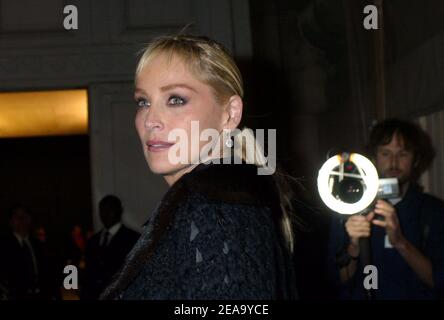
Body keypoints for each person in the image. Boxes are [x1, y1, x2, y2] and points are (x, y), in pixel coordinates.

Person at [99, 34, 298, 300]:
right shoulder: (224, 202)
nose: (150, 120)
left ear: (230, 114)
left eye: (176, 99)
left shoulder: (214, 210)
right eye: (143, 102)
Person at [328, 118, 444, 299]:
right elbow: (339, 280)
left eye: (403, 154)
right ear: (373, 157)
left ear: (415, 159)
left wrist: (400, 242)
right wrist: (353, 247)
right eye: (385, 153)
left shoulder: (433, 211)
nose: (394, 162)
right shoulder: (346, 207)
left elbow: (438, 280)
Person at [82, 195, 140, 300]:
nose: (105, 214)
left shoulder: (133, 239)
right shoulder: (92, 241)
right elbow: (88, 275)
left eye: (110, 209)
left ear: (119, 211)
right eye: (102, 210)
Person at [0, 205, 58, 300]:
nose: (21, 220)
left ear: (30, 219)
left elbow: (48, 273)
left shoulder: (38, 245)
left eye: (24, 216)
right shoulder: (4, 247)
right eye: (17, 217)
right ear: (10, 222)